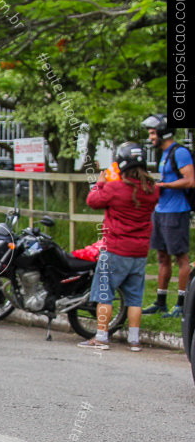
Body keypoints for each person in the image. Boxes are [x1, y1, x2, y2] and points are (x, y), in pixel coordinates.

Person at [79, 142, 159, 351]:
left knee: (105, 294)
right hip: (140, 252)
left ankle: (101, 337)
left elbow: (92, 201)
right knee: (135, 297)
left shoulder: (114, 189)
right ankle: (134, 341)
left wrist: (100, 182)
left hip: (115, 249)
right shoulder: (152, 190)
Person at [141, 113, 193, 318]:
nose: (151, 137)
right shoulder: (164, 153)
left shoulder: (180, 152)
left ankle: (181, 304)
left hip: (176, 211)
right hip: (161, 210)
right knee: (162, 256)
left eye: (153, 133)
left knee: (181, 257)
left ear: (164, 132)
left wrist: (163, 185)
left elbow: (190, 180)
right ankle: (160, 302)